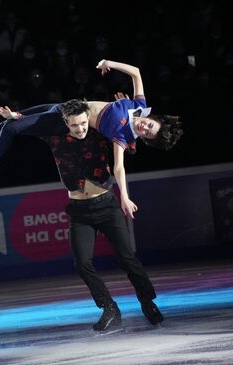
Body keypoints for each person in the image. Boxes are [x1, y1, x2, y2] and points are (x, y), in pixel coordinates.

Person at [0, 59, 183, 218]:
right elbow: (136, 72)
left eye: (147, 133)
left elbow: (119, 168)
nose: (144, 127)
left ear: (145, 138)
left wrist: (125, 197)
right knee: (12, 119)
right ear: (153, 118)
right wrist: (107, 63)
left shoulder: (122, 136)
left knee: (12, 128)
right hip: (66, 106)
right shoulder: (138, 105)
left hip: (65, 121)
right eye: (150, 125)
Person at [41, 99, 164, 331]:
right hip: (79, 211)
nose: (80, 128)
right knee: (82, 263)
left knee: (127, 257)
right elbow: (29, 125)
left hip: (106, 206)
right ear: (66, 122)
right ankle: (109, 308)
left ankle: (147, 302)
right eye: (75, 125)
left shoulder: (100, 133)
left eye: (84, 123)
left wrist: (127, 110)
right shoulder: (54, 137)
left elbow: (126, 131)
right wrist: (15, 118)